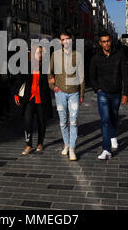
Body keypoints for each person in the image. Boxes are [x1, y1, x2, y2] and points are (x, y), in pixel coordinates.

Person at [90, 32, 128, 160]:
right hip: (102, 92)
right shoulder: (96, 57)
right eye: (104, 41)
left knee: (113, 117)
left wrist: (126, 94)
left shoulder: (120, 55)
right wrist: (97, 88)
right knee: (105, 120)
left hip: (116, 92)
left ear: (111, 41)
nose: (106, 43)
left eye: (108, 41)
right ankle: (106, 149)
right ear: (100, 43)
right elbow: (92, 75)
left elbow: (126, 75)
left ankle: (113, 136)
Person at [49, 29, 85, 161]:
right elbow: (49, 72)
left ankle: (72, 148)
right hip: (60, 94)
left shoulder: (77, 55)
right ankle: (66, 144)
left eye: (67, 39)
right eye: (63, 39)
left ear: (71, 40)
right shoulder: (55, 55)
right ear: (60, 41)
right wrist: (53, 86)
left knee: (74, 121)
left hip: (74, 92)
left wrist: (82, 93)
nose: (65, 41)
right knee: (63, 121)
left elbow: (81, 75)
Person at [14, 46, 53, 155]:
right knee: (27, 121)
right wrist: (16, 95)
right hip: (29, 99)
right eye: (36, 53)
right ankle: (29, 145)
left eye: (40, 52)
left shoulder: (46, 66)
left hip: (42, 99)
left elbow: (52, 79)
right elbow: (19, 80)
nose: (39, 55)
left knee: (41, 122)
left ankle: (40, 143)